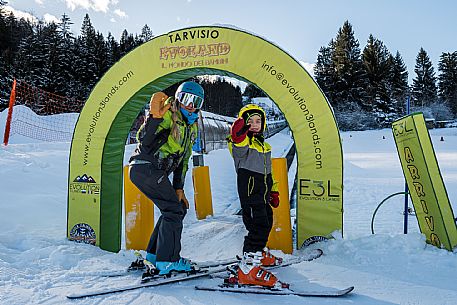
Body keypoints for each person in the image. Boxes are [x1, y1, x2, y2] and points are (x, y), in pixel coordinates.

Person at [128, 81, 204, 276]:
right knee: (173, 211)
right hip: (145, 167)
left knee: (174, 209)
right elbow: (142, 139)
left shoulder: (191, 128)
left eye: (197, 102)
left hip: (155, 172)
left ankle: (154, 256)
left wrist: (179, 188)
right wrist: (153, 119)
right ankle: (168, 260)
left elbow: (184, 160)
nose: (191, 105)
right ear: (179, 98)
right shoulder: (169, 114)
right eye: (187, 99)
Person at [227, 104, 283, 287]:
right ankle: (248, 270)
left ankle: (257, 253)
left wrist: (273, 190)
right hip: (251, 193)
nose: (254, 124)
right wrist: (238, 134)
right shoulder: (243, 142)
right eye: (250, 121)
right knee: (257, 225)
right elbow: (239, 145)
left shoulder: (264, 145)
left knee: (266, 220)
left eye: (258, 121)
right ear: (244, 124)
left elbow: (269, 172)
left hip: (263, 192)